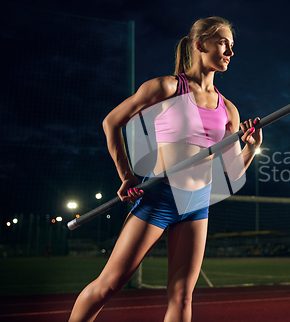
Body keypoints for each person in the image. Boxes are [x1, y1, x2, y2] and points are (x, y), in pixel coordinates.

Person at [68, 16, 262, 322]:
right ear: (200, 45)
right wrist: (127, 176)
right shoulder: (167, 87)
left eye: (232, 45)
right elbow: (112, 122)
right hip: (160, 198)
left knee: (183, 297)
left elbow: (232, 172)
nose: (230, 52)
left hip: (198, 204)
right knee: (109, 285)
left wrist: (249, 147)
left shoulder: (229, 110)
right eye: (223, 42)